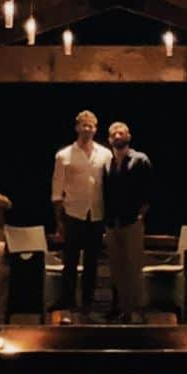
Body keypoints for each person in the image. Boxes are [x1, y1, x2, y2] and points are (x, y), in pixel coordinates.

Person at [51, 109, 111, 321]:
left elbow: (109, 186)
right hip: (73, 212)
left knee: (92, 262)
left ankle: (87, 303)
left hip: (96, 214)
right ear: (77, 127)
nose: (87, 129)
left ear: (95, 129)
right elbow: (57, 190)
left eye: (91, 126)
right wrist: (59, 221)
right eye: (83, 125)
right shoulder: (64, 155)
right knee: (70, 261)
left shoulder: (105, 154)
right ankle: (68, 302)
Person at [103, 120, 154, 323]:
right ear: (109, 139)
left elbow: (150, 190)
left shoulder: (140, 159)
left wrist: (141, 214)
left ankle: (133, 311)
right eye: (113, 133)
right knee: (116, 269)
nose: (117, 135)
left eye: (121, 132)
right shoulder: (107, 163)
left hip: (132, 221)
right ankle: (118, 308)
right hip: (112, 222)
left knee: (133, 268)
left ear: (128, 137)